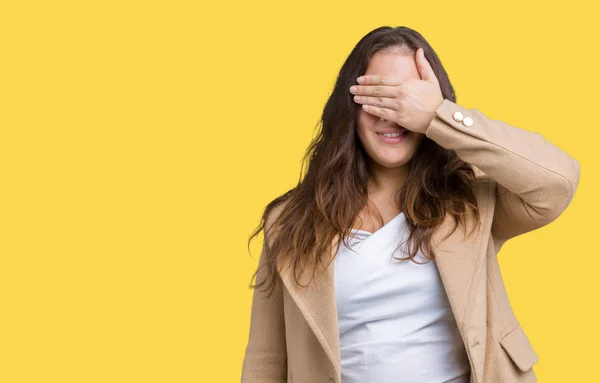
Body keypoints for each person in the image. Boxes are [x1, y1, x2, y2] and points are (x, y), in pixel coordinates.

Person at [241, 26, 580, 383]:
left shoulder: (470, 200)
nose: (392, 115)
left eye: (405, 99)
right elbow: (266, 358)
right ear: (350, 107)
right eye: (378, 97)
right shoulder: (291, 220)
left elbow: (557, 183)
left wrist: (441, 117)